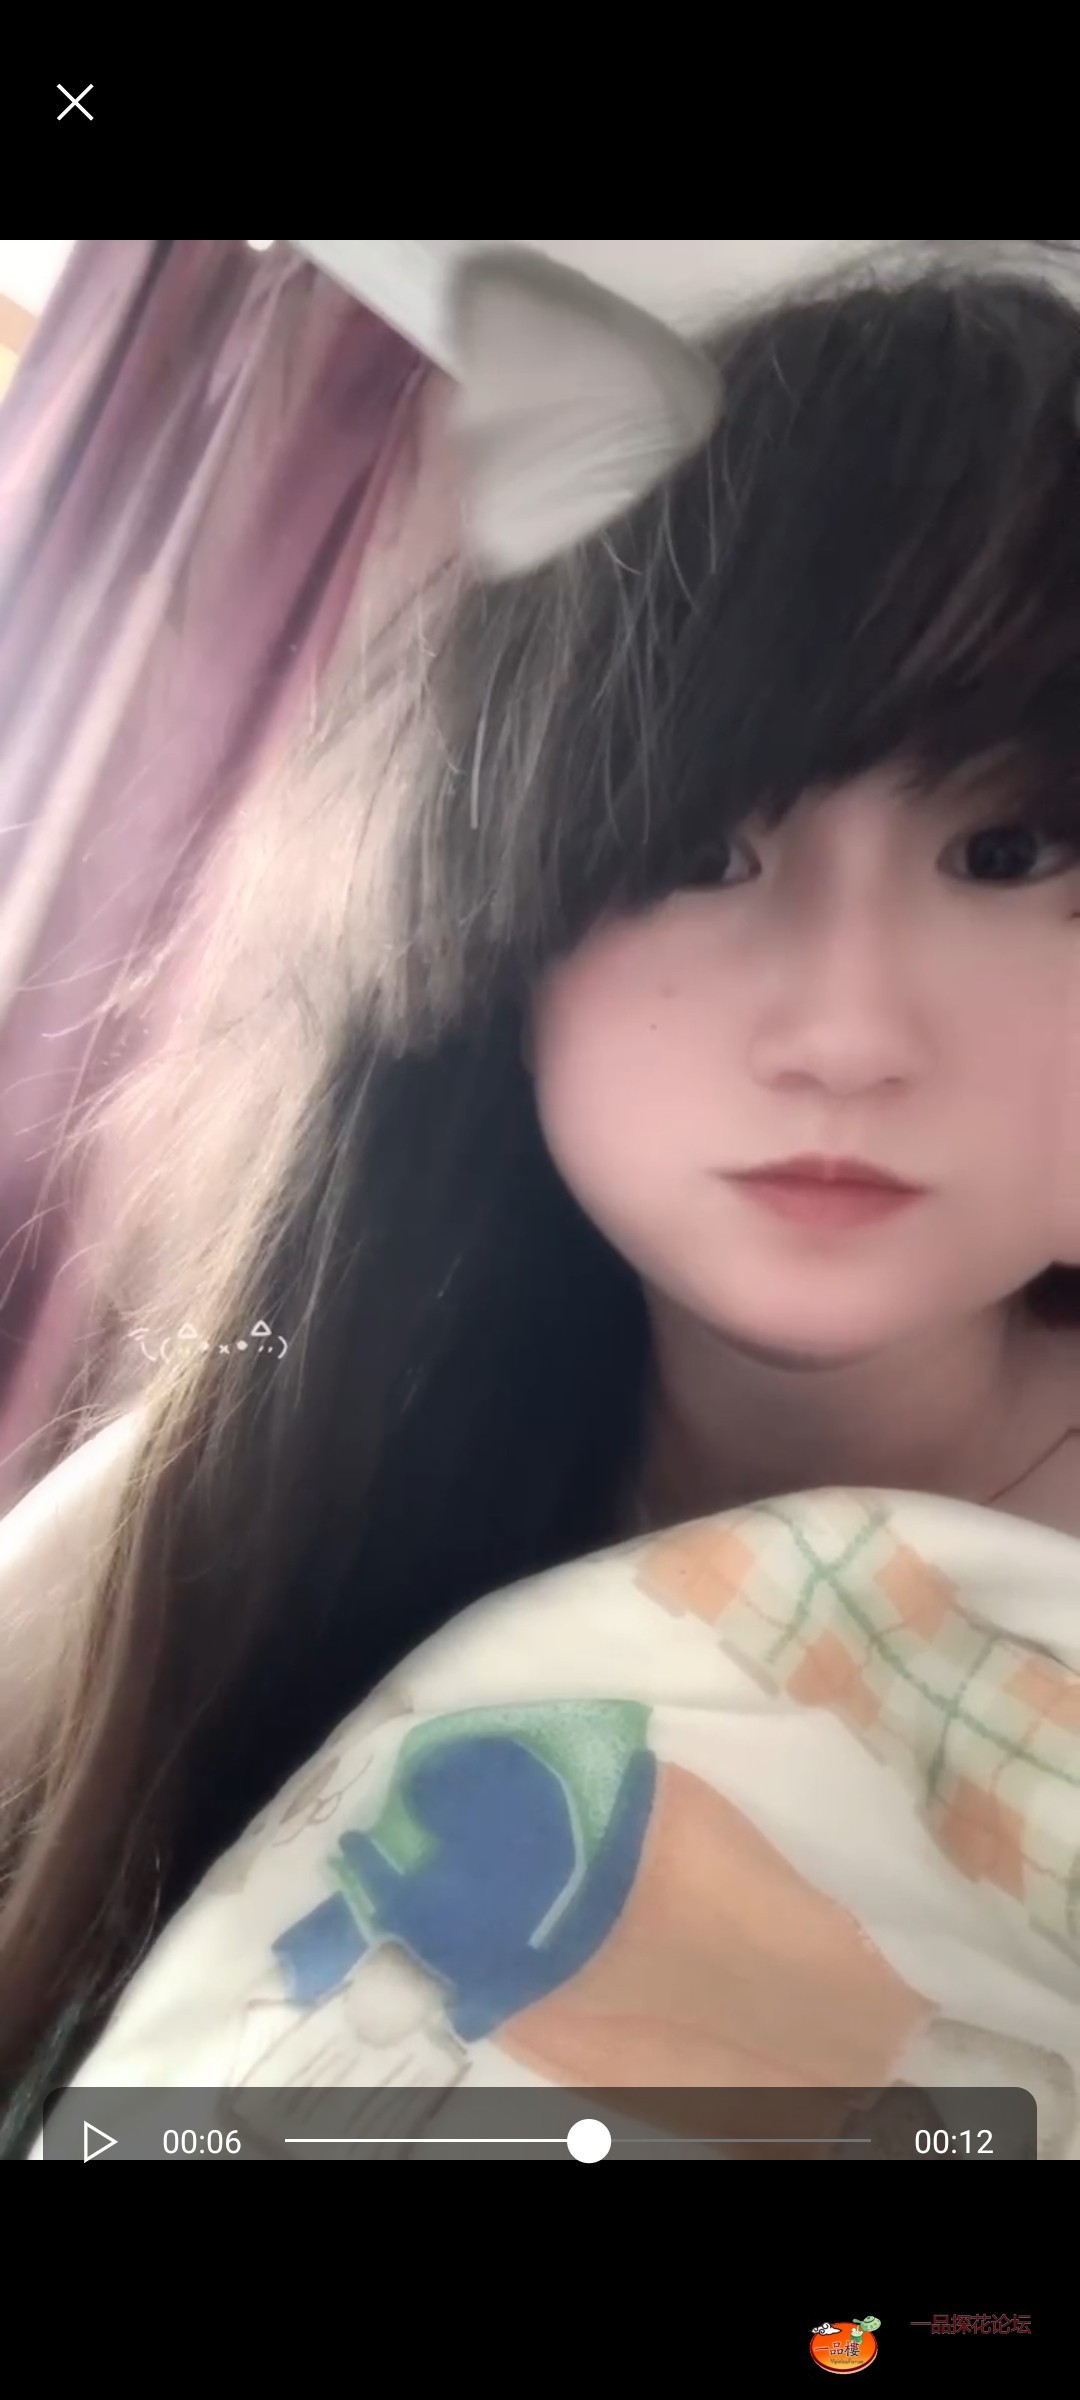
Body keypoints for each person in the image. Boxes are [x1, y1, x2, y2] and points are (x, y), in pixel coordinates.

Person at [2, 245, 1079, 2158]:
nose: (843, 1030)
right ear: (500, 928)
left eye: (1008, 851)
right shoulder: (258, 1464)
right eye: (700, 847)